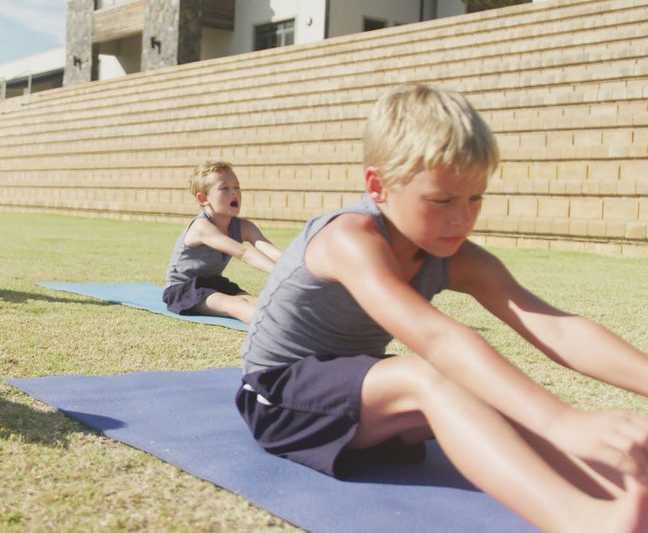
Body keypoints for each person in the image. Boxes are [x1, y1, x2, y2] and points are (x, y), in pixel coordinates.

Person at [236, 84, 648, 531]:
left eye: (475, 198)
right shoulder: (349, 240)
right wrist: (561, 420)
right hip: (278, 399)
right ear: (379, 186)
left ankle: (618, 489)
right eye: (442, 200)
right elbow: (438, 339)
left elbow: (557, 328)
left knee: (493, 388)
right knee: (433, 376)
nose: (462, 218)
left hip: (361, 397)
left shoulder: (458, 255)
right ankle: (581, 521)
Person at [162, 161, 283, 324]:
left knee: (260, 302)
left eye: (237, 187)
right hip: (184, 289)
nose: (234, 192)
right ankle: (280, 331)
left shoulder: (244, 226)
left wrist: (295, 267)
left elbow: (270, 250)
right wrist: (280, 272)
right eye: (224, 188)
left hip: (214, 283)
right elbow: (244, 253)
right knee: (237, 304)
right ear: (204, 198)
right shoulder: (201, 227)